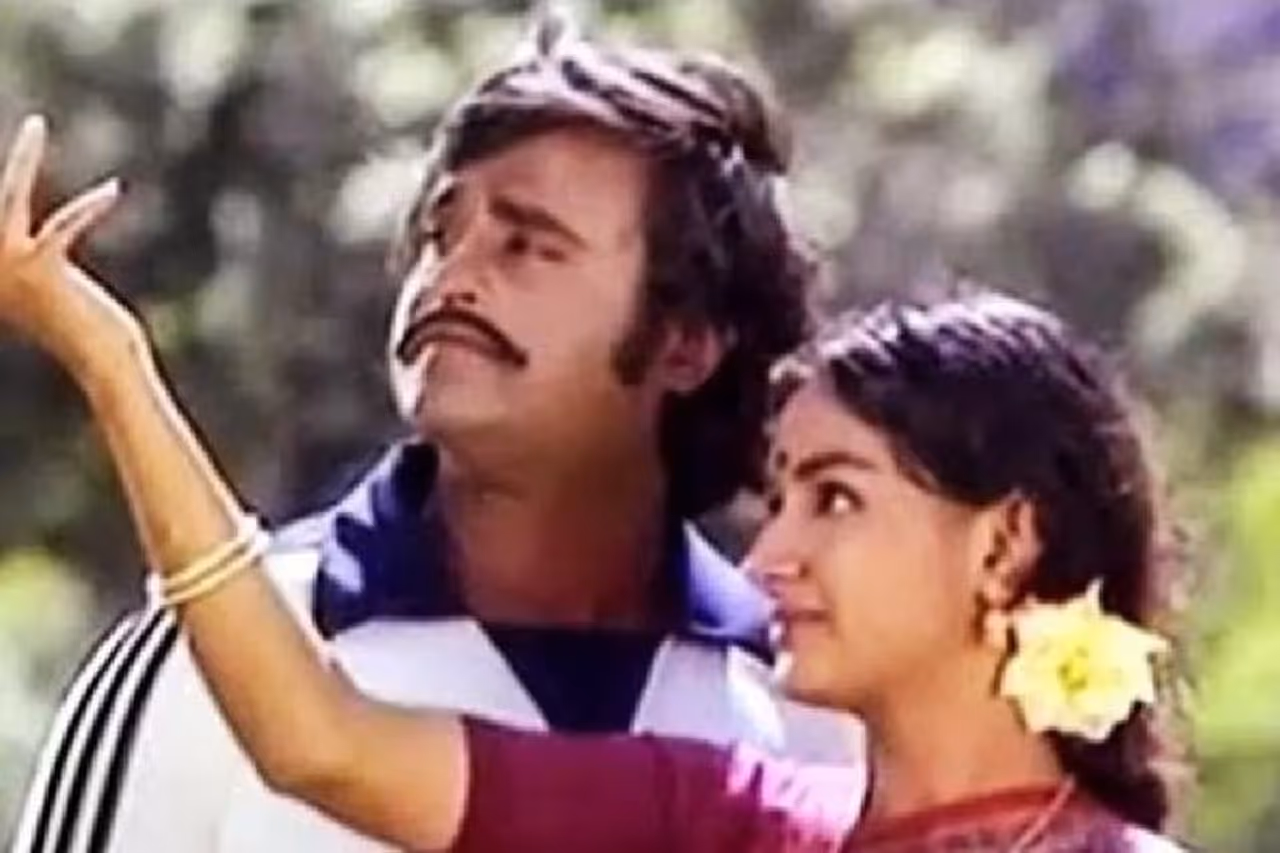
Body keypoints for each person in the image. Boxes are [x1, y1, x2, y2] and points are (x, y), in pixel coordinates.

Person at [0, 109, 1185, 850]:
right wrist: (112, 366)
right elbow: (318, 743)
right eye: (779, 498)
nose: (771, 557)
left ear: (1002, 543)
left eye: (834, 497)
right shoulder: (720, 816)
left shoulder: (766, 740)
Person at [9, 15, 861, 853]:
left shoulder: (811, 700)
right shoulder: (210, 651)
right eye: (438, 235)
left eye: (527, 243)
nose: (449, 278)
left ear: (686, 343)